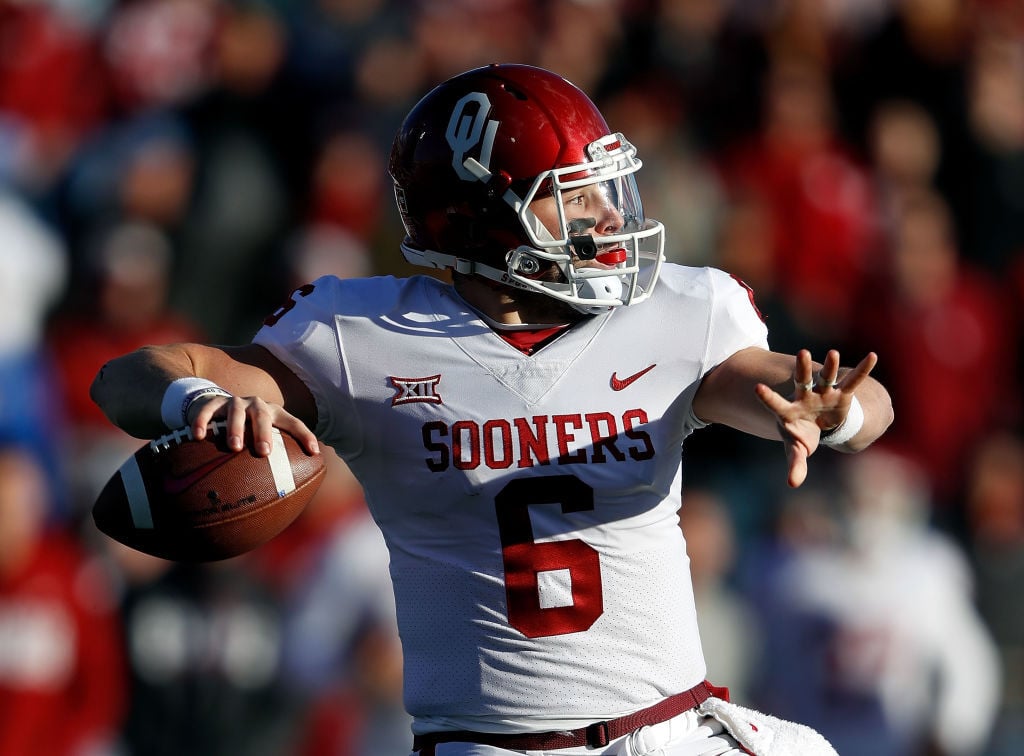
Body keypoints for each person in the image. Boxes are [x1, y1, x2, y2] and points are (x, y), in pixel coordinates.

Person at [90, 64, 893, 756]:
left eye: (605, 191)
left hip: (668, 729)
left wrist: (833, 412)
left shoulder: (675, 311)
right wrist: (200, 399)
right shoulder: (364, 337)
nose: (610, 220)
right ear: (481, 212)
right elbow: (125, 381)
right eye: (571, 200)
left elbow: (833, 394)